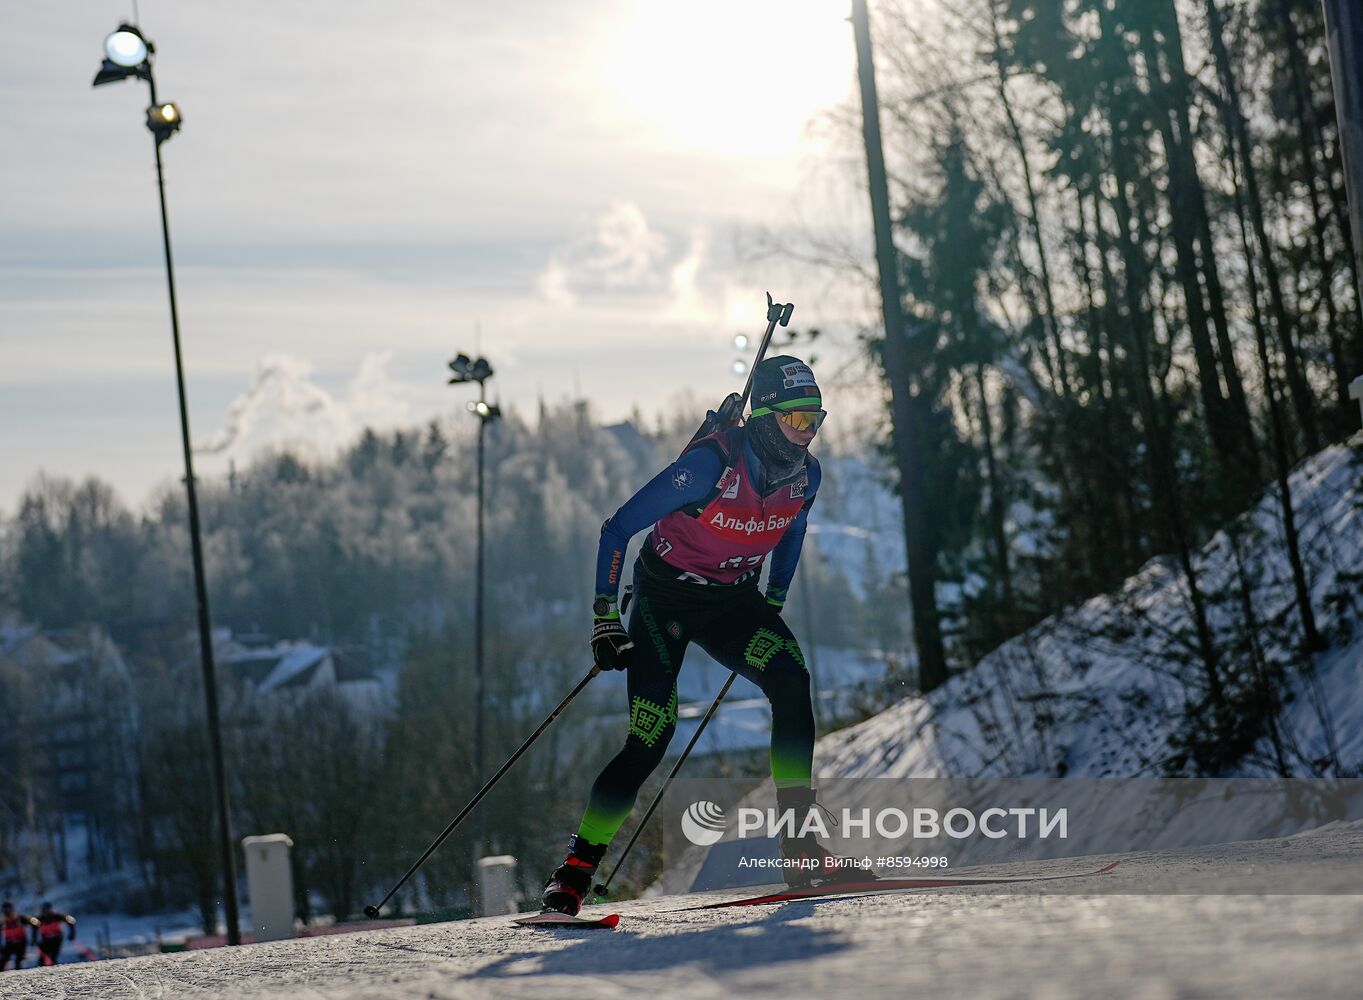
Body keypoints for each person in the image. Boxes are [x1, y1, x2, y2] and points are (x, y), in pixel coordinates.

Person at [540, 355, 858, 915]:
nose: (808, 434)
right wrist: (604, 618)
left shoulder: (808, 477)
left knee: (791, 679)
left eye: (816, 420)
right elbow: (617, 529)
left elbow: (792, 530)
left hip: (731, 602)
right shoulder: (710, 466)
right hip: (665, 602)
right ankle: (574, 872)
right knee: (650, 737)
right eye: (797, 420)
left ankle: (801, 847)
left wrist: (774, 604)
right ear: (765, 419)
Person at [33, 902, 75, 968]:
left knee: (53, 956)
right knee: (42, 958)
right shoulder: (40, 919)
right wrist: (34, 939)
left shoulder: (57, 916)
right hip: (46, 939)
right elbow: (34, 928)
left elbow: (71, 921)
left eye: (47, 909)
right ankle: (41, 972)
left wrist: (72, 933)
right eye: (44, 910)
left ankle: (54, 970)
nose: (45, 911)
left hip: (57, 939)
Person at [1, 902, 37, 971]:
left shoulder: (20, 918)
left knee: (18, 962)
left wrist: (34, 938)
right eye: (5, 911)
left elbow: (33, 922)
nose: (7, 913)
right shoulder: (3, 922)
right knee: (2, 961)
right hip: (10, 944)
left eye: (8, 910)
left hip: (21, 943)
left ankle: (19, 977)